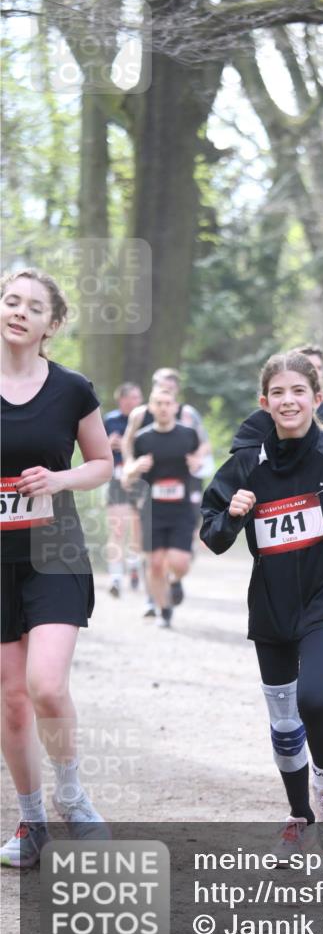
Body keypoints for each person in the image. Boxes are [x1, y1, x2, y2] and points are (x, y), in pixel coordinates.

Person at [200, 351, 323, 860]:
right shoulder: (245, 463)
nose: (288, 401)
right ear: (265, 403)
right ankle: (298, 815)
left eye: (298, 391)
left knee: (314, 700)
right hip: (270, 610)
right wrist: (234, 515)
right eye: (278, 393)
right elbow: (212, 535)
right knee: (284, 724)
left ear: (316, 399)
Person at [0, 268, 113, 867]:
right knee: (12, 699)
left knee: (45, 683)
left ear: (52, 324)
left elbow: (102, 463)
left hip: (54, 548)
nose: (18, 312)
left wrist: (59, 478)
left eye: (33, 307)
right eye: (10, 301)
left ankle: (71, 796)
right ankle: (31, 822)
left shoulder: (71, 389)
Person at [122, 367, 211, 614]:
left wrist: (198, 461)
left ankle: (175, 581)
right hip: (151, 505)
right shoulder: (140, 428)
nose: (163, 406)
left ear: (175, 403)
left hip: (182, 503)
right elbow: (128, 456)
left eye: (168, 401)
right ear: (151, 403)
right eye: (159, 401)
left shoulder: (188, 428)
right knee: (155, 562)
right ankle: (162, 608)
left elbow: (203, 447)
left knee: (178, 561)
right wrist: (133, 468)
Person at [103, 382, 144, 597]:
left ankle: (135, 565)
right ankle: (115, 577)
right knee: (117, 528)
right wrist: (107, 445)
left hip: (139, 480)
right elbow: (96, 449)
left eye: (138, 397)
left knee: (137, 530)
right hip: (117, 478)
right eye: (131, 398)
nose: (136, 402)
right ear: (122, 400)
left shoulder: (145, 419)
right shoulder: (109, 420)